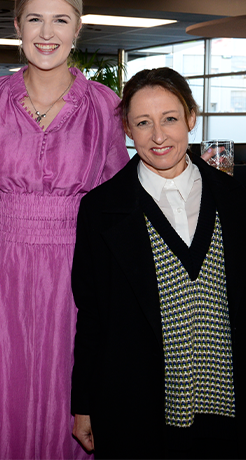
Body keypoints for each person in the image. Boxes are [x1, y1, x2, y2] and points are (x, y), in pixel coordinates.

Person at [0, 0, 129, 460]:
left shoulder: (106, 107)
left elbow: (119, 200)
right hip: (0, 265)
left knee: (68, 386)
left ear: (79, 28)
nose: (47, 33)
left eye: (61, 20)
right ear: (17, 26)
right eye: (35, 19)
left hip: (75, 263)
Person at [72, 68, 245, 459]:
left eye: (169, 118)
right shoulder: (101, 210)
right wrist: (84, 403)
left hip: (227, 410)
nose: (159, 136)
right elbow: (92, 315)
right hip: (138, 412)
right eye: (143, 123)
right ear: (127, 130)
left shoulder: (235, 199)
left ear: (191, 117)